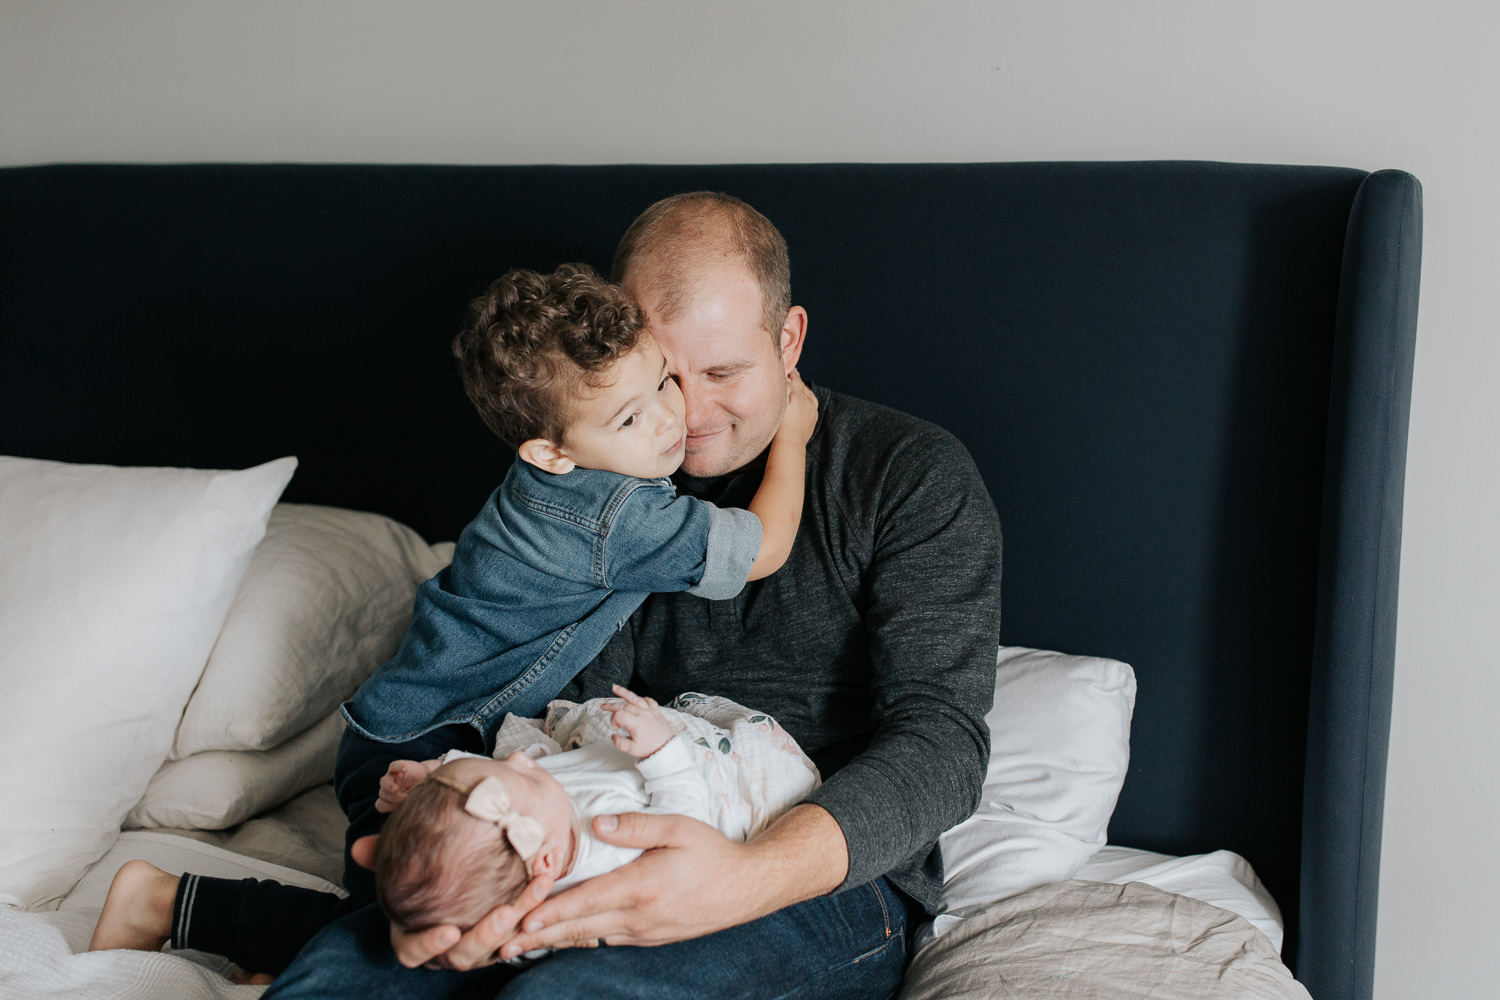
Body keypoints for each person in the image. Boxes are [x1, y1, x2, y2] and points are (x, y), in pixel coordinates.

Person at [108, 191, 1004, 1000]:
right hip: (574, 819)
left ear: (790, 339)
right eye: (660, 374)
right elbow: (544, 698)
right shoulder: (593, 468)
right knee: (351, 978)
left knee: (573, 994)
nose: (683, 417)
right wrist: (479, 809)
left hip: (812, 872)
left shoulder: (910, 476)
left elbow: (941, 744)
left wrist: (743, 876)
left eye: (723, 373)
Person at [88, 261, 818, 968]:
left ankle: (257, 949)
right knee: (421, 933)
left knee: (429, 920)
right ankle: (167, 902)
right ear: (553, 452)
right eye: (630, 417)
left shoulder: (558, 471)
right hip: (424, 737)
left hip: (407, 721)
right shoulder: (614, 512)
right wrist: (792, 430)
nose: (670, 418)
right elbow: (761, 550)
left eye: (662, 380)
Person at [374, 686, 820, 935]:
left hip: (603, 761)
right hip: (696, 786)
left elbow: (483, 784)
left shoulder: (537, 819)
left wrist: (433, 774)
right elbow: (684, 822)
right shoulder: (610, 849)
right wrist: (662, 752)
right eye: (525, 778)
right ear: (547, 861)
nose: (518, 761)